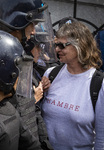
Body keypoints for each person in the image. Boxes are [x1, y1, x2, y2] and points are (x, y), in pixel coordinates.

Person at [0, 0, 54, 149]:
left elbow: (29, 106)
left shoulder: (19, 52)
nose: (34, 31)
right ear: (17, 21)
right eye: (32, 24)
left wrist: (43, 143)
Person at [41, 21, 104, 149]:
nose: (57, 49)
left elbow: (101, 138)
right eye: (56, 45)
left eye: (62, 45)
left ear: (79, 46)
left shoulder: (98, 84)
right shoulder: (51, 74)